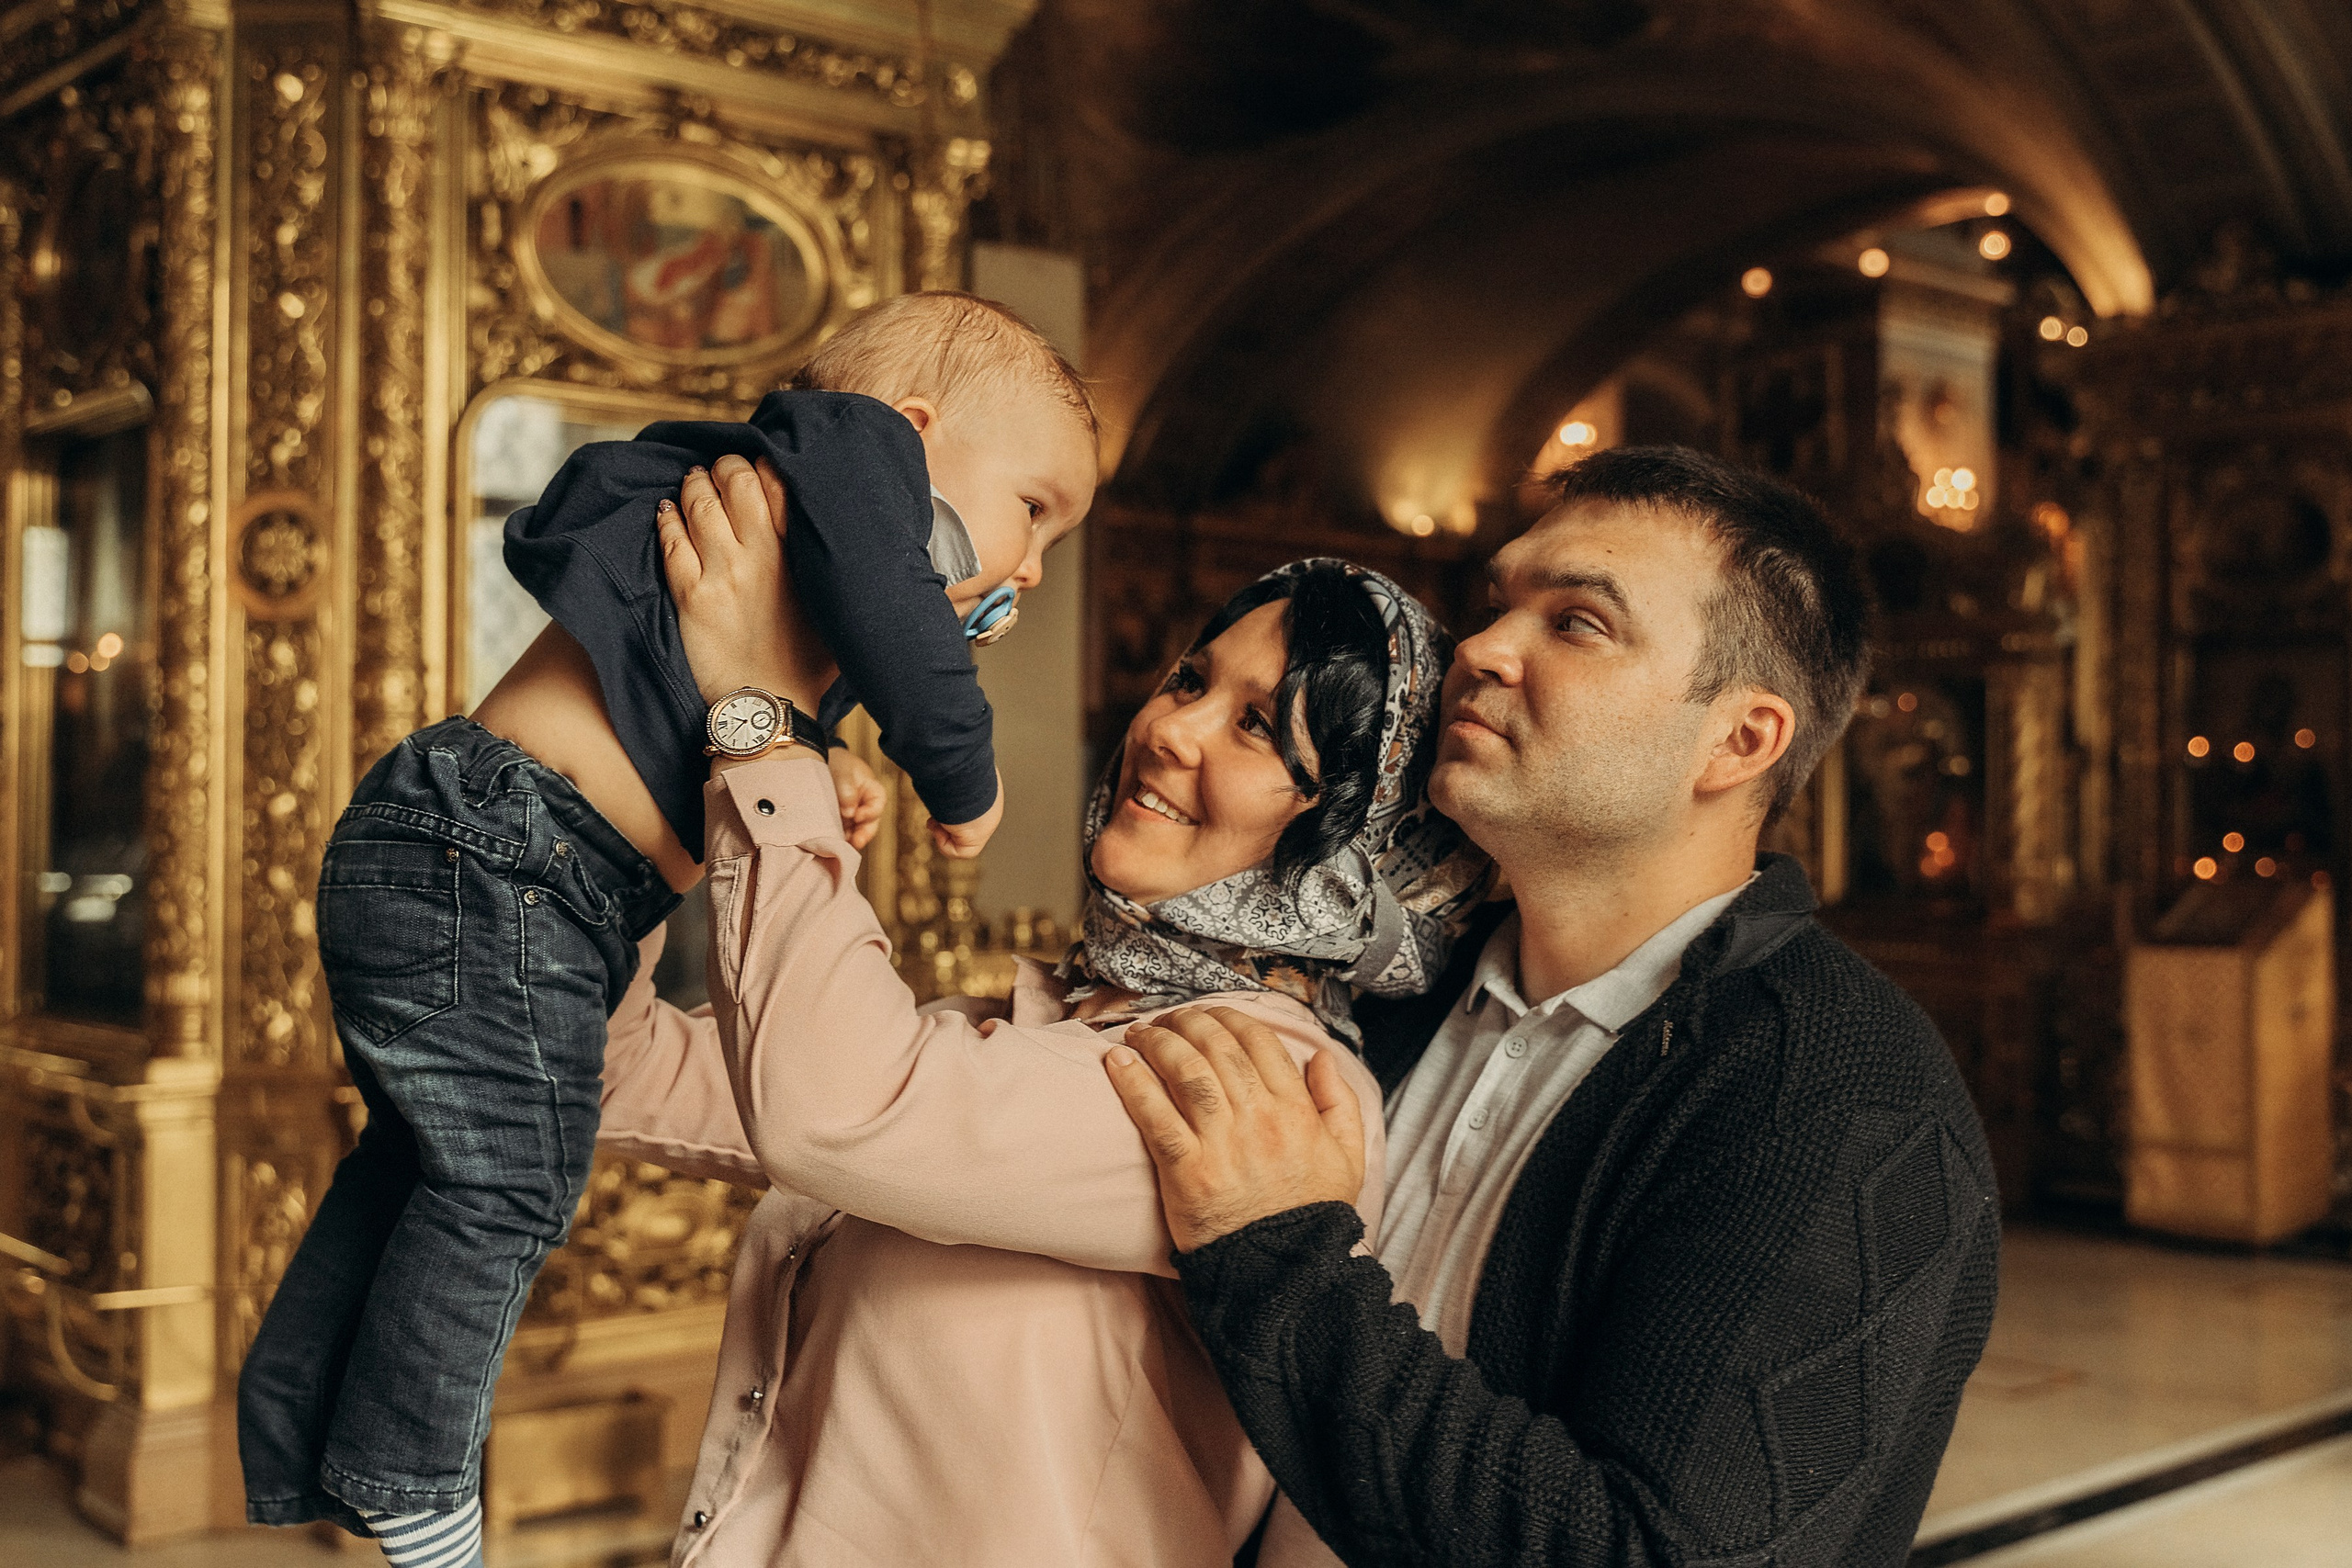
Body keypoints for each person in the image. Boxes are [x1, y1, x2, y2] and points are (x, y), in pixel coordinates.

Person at [236, 293, 1098, 1568]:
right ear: (910, 431)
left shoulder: (807, 530)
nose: (1029, 568)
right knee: (509, 1181)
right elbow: (900, 624)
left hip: (494, 860)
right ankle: (416, 1470)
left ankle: (310, 1431)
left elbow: (729, 693)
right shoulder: (852, 459)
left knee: (418, 1167)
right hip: (505, 853)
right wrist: (956, 771)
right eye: (1036, 510)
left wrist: (823, 759)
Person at [1105, 446, 2002, 1567]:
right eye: (1498, 605)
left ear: (1740, 739)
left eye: (1575, 623)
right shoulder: (1387, 978)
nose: (1479, 649)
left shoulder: (1837, 1096)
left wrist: (1278, 1248)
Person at [596, 461, 1491, 1565]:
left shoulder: (1259, 1089)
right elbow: (613, 1063)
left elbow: (832, 1105)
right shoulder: (1038, 1025)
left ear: (1358, 843)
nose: (1169, 729)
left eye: (1259, 727)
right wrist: (704, 806)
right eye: (1188, 680)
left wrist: (767, 744)